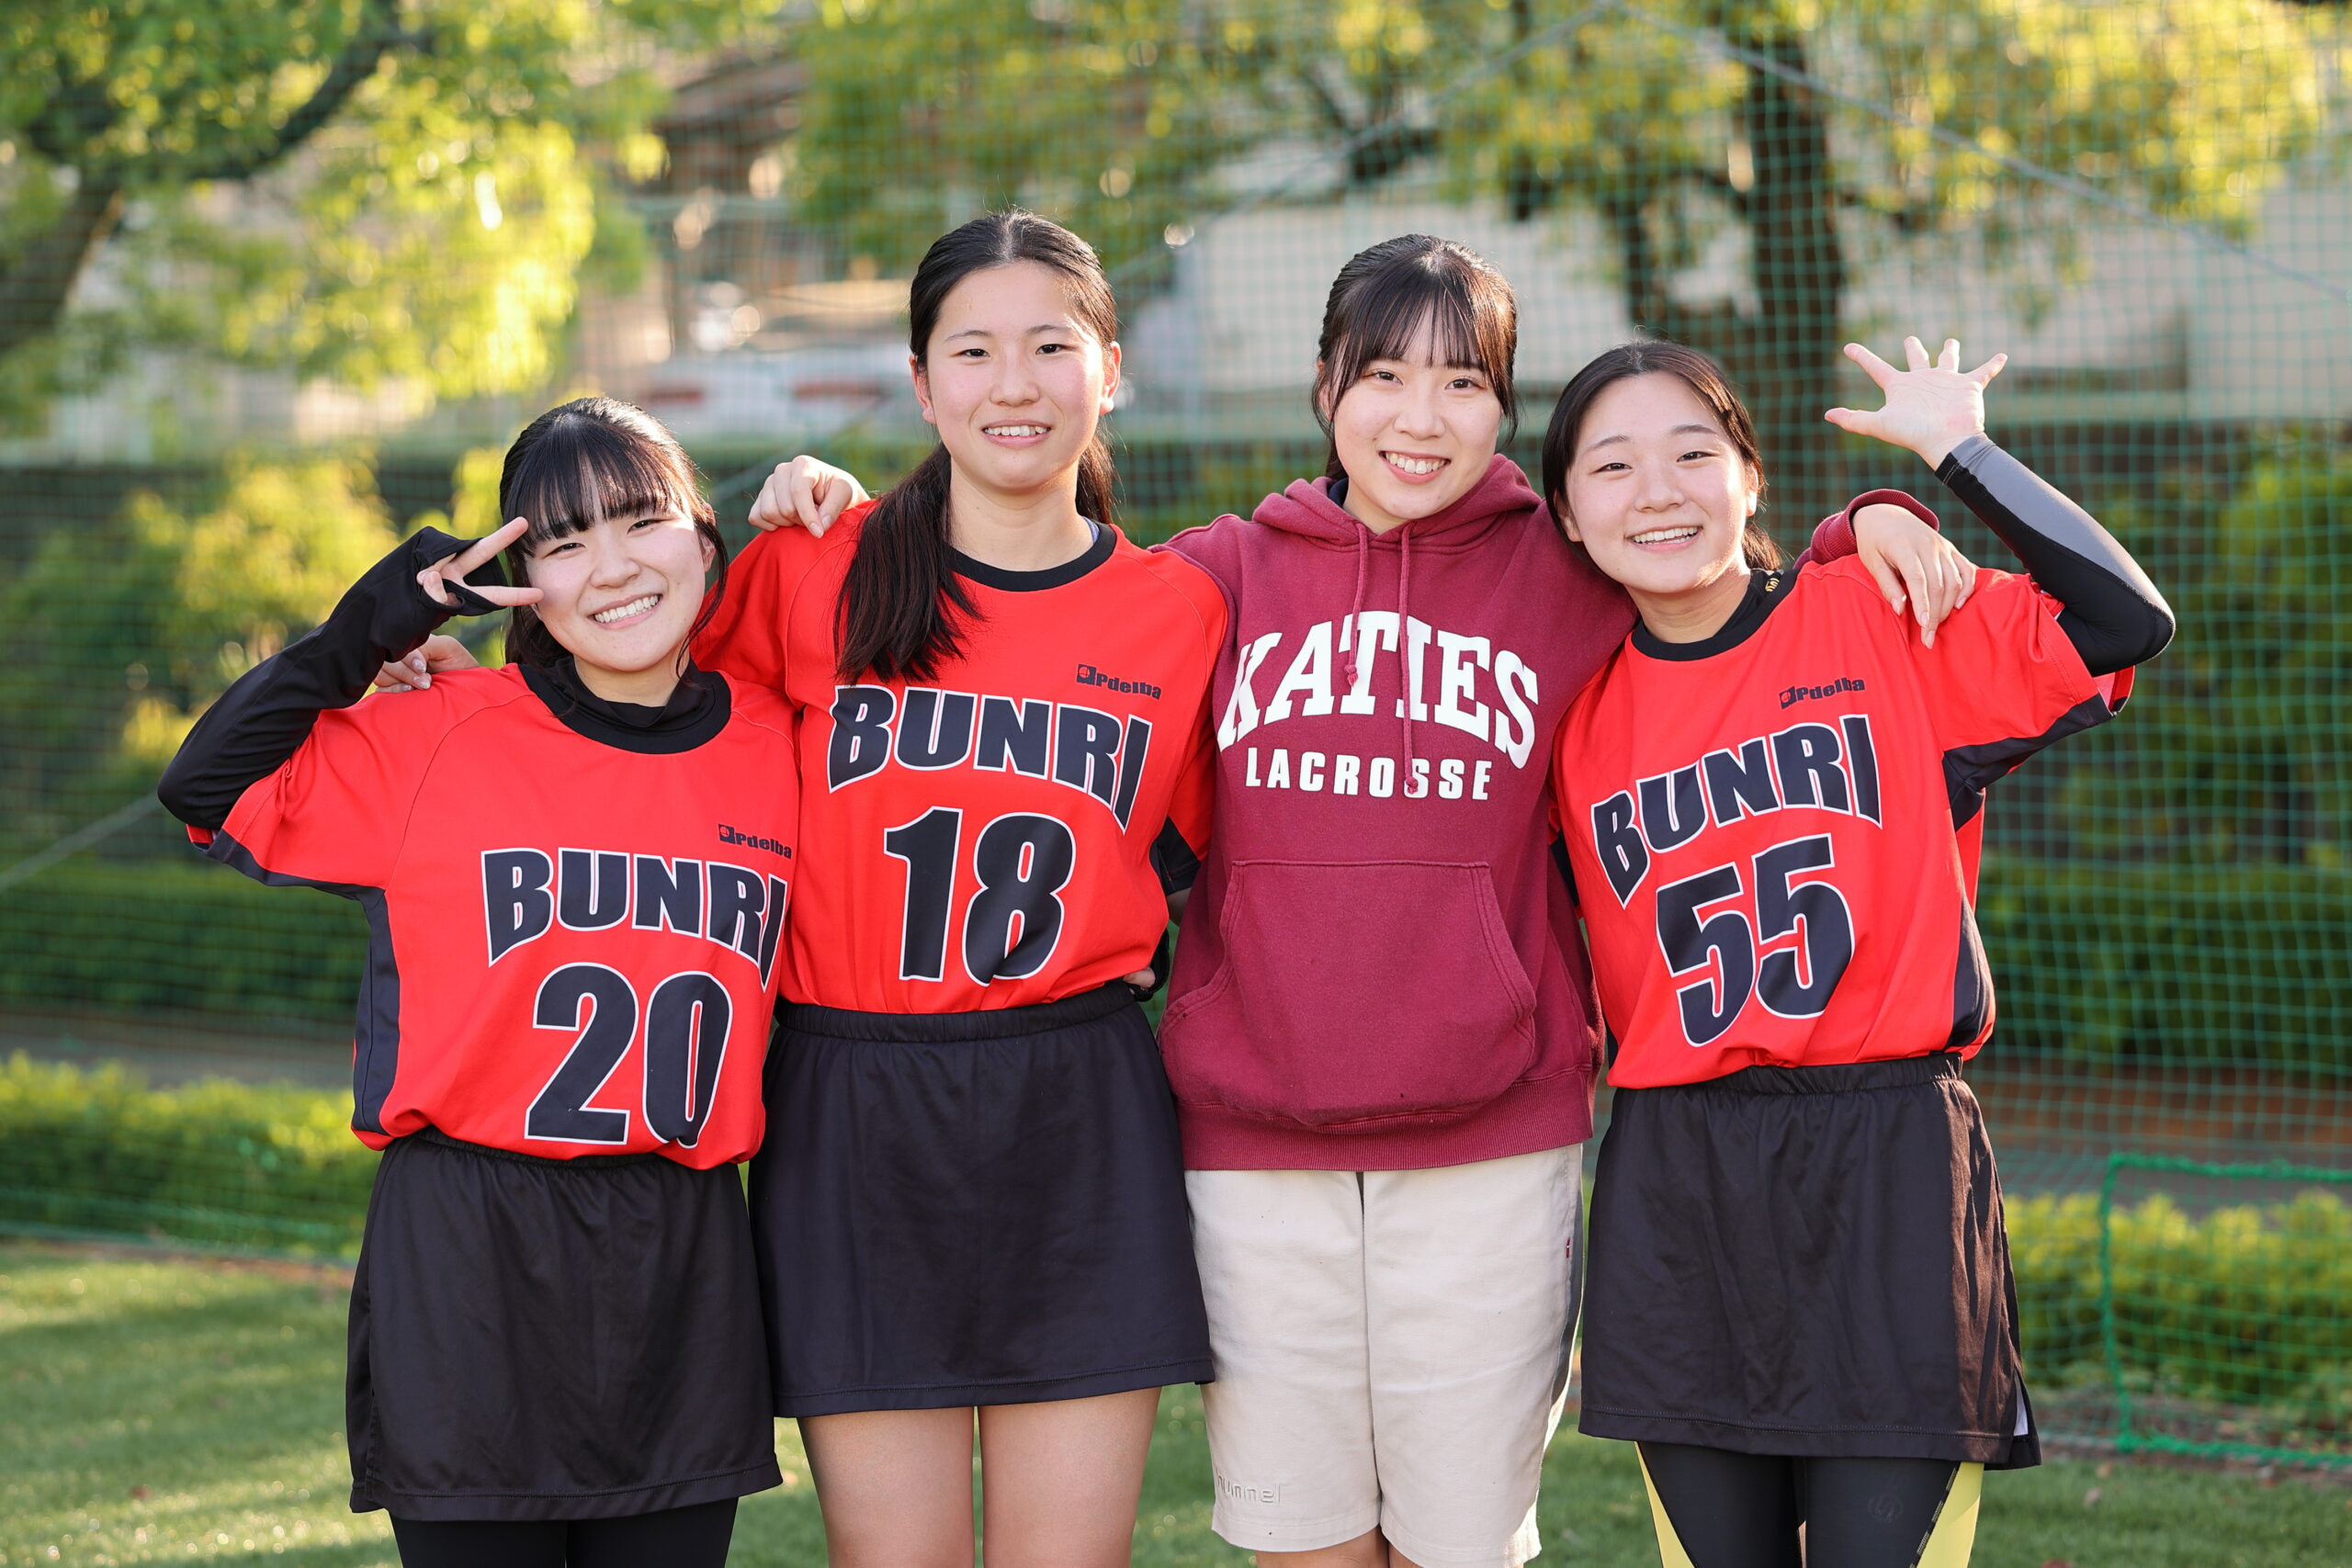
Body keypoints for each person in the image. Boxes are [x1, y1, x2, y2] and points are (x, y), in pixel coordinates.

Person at [732, 234, 1974, 1568]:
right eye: (1383, 374)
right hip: (1232, 1136)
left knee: (1455, 1545)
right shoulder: (1215, 578)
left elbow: (1712, 573)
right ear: (1325, 388)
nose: (1420, 415)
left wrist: (1867, 526)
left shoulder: (1550, 576)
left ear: (1505, 409)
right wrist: (820, 497)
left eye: (1462, 381)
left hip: (1481, 1134)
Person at [1544, 338, 2172, 1568]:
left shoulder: (1878, 616)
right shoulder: (1570, 715)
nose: (1657, 490)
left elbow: (2122, 617)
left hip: (1888, 1156)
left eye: (1693, 452)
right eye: (1611, 466)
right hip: (1681, 1180)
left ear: (1751, 476)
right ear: (1565, 514)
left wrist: (1948, 454)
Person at [157, 399, 796, 1566]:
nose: (611, 564)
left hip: (682, 1258)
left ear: (706, 543)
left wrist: (829, 500)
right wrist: (360, 633)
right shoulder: (443, 733)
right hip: (468, 1255)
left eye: (643, 520)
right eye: (562, 539)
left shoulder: (779, 743)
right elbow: (203, 784)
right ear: (519, 581)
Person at [690, 210, 1226, 1568]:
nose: (1013, 384)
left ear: (1110, 370)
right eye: (972, 350)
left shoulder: (1179, 612)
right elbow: (631, 706)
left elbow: (1239, 854)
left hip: (1078, 1103)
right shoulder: (819, 566)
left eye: (1052, 346)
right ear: (922, 384)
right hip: (853, 1106)